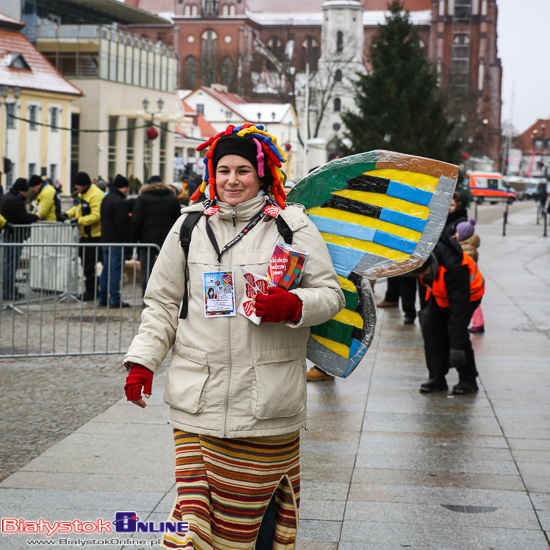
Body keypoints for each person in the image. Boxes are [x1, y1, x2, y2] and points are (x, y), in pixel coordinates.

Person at [123, 124, 344, 549]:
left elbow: (330, 295)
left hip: (265, 407)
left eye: (243, 170)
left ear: (262, 174)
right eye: (223, 169)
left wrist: (295, 306)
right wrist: (142, 362)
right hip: (198, 402)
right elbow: (163, 303)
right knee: (192, 526)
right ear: (211, 172)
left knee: (250, 525)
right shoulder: (188, 227)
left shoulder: (291, 226)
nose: (232, 180)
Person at [415, 232, 485, 395]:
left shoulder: (453, 268)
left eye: (424, 273)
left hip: (469, 294)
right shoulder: (424, 256)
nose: (421, 277)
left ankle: (468, 380)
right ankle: (436, 378)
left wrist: (456, 348)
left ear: (431, 265)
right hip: (442, 294)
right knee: (431, 328)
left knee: (455, 332)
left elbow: (458, 315)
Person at [130, 174, 182, 296]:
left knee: (147, 270)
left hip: (147, 241)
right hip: (168, 240)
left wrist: (133, 240)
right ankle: (167, 296)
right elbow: (178, 220)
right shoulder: (172, 199)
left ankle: (147, 296)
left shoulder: (142, 198)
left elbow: (136, 221)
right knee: (168, 269)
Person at [64, 172, 104, 301]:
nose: (76, 188)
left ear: (84, 184)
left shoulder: (96, 195)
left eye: (78, 186)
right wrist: (67, 214)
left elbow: (96, 216)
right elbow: (78, 209)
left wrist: (78, 221)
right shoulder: (85, 193)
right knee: (86, 265)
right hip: (85, 236)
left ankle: (92, 292)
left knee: (89, 266)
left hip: (94, 236)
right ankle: (91, 291)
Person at [0, 178, 40, 301]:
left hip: (8, 235)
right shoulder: (15, 201)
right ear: (21, 191)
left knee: (9, 264)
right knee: (11, 265)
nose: (27, 193)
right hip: (14, 236)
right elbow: (23, 217)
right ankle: (8, 291)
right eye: (25, 191)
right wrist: (35, 216)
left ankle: (10, 289)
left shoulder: (6, 197)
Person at [98, 174, 131, 308]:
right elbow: (122, 225)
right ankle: (114, 299)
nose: (128, 190)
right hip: (116, 241)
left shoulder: (106, 199)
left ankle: (103, 297)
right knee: (115, 270)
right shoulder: (119, 202)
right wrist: (127, 242)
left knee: (106, 269)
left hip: (105, 239)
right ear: (122, 187)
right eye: (127, 187)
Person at [455, 218, 485, 334]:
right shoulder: (466, 246)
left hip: (469, 281)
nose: (455, 234)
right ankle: (477, 323)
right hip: (470, 280)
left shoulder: (466, 249)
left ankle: (478, 324)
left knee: (473, 304)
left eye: (457, 232)